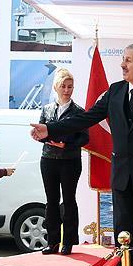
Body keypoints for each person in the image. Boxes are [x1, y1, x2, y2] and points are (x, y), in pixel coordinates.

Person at [31, 44, 133, 266]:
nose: (122, 64)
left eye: (128, 60)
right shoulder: (115, 91)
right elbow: (86, 118)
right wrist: (51, 129)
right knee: (123, 231)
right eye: (122, 59)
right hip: (121, 176)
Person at [38, 68, 89, 255]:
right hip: (48, 160)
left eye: (70, 86)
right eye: (63, 86)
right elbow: (41, 132)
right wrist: (39, 136)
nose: (67, 90)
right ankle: (52, 242)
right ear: (55, 87)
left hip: (70, 161)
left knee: (69, 200)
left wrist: (65, 144)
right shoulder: (47, 109)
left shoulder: (79, 111)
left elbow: (84, 138)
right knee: (51, 200)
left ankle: (68, 241)